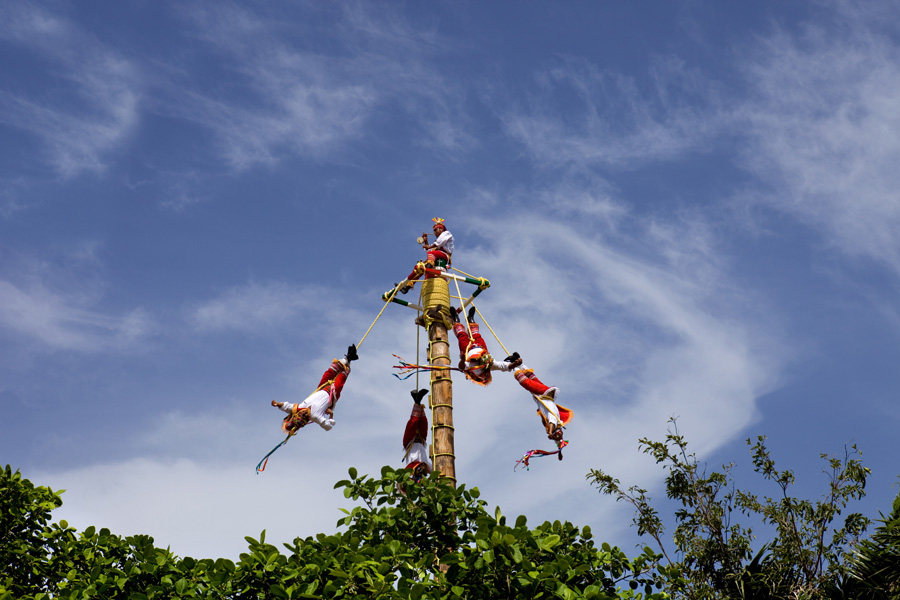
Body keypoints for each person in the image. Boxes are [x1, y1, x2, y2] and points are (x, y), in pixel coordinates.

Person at [271, 345, 358, 433]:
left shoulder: (298, 408)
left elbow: (286, 407)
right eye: (305, 417)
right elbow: (327, 427)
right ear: (306, 420)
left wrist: (277, 404)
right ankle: (349, 360)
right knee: (341, 377)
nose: (304, 414)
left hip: (322, 387)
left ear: (296, 414)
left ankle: (347, 358)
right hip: (333, 394)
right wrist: (331, 415)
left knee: (330, 372)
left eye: (301, 414)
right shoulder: (315, 416)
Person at [451, 307, 521, 385]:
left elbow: (461, 367)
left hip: (467, 351)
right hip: (481, 347)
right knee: (476, 334)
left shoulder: (475, 369)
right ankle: (470, 319)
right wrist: (516, 363)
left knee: (461, 335)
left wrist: (463, 359)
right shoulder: (491, 364)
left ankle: (455, 320)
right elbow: (505, 366)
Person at [508, 356, 573, 441]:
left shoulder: (555, 422)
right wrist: (550, 433)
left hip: (544, 394)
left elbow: (558, 440)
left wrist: (559, 451)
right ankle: (515, 364)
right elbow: (552, 422)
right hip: (543, 394)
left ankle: (519, 363)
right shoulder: (555, 420)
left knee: (532, 378)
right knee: (525, 382)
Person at [400, 218, 454, 294]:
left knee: (431, 255)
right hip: (436, 256)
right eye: (434, 230)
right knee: (419, 267)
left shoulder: (446, 234)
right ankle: (407, 286)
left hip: (444, 256)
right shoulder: (436, 242)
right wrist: (426, 241)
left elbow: (438, 243)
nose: (434, 232)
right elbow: (430, 250)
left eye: (435, 230)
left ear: (441, 229)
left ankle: (429, 264)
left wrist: (429, 247)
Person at [403, 388, 432, 481]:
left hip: (410, 442)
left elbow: (412, 467)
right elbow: (434, 469)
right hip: (420, 440)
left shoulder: (410, 468)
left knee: (413, 422)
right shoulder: (426, 465)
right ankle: (417, 401)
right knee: (423, 422)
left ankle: (417, 401)